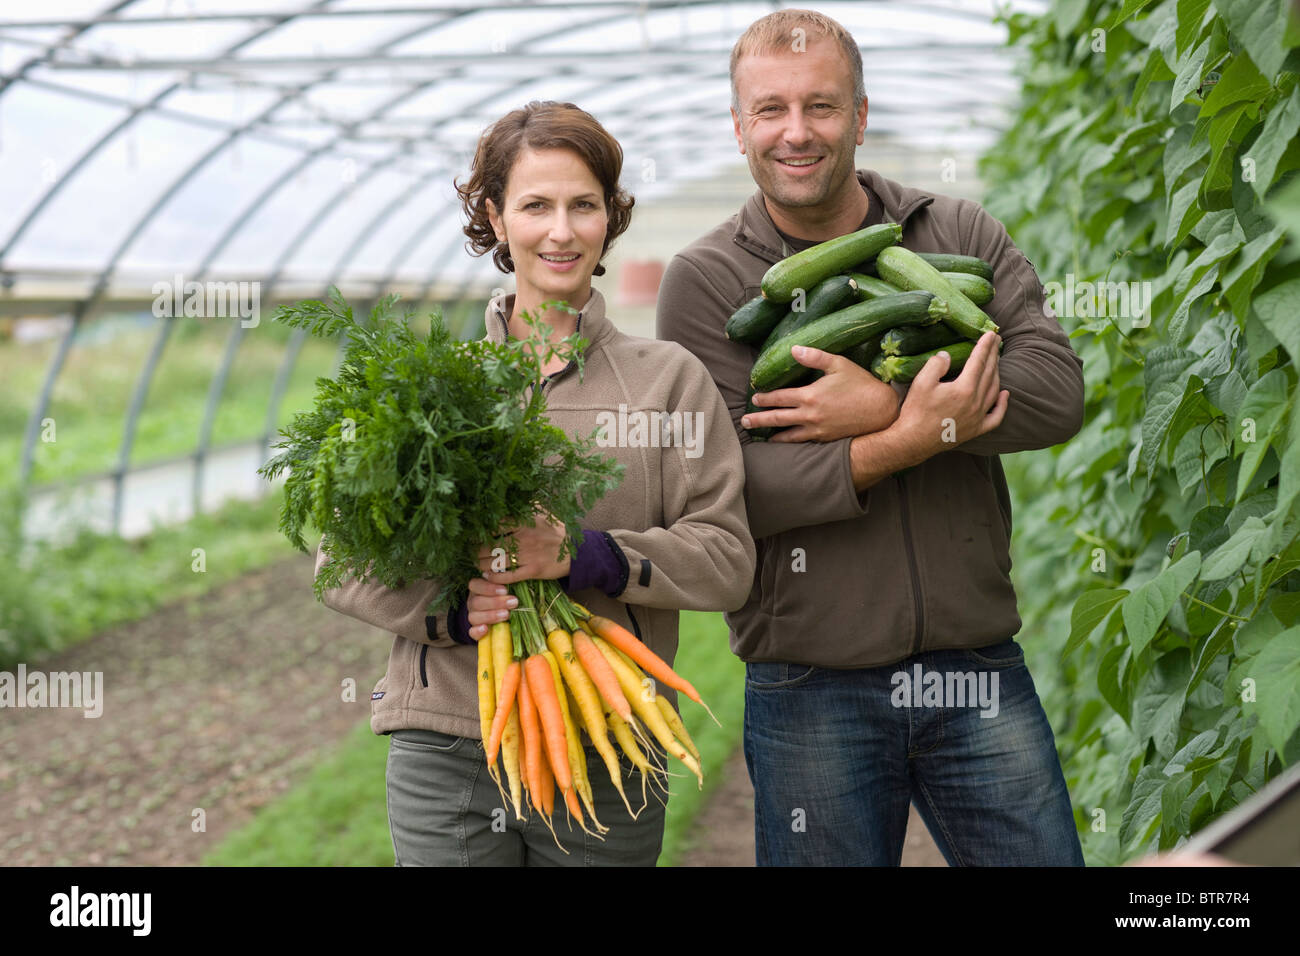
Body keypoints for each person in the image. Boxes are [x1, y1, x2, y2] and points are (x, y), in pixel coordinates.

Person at [656, 9, 1087, 866]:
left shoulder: (958, 235)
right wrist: (904, 439)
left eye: (821, 106)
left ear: (859, 114)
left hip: (976, 664)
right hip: (813, 683)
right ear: (738, 125)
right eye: (770, 110)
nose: (796, 132)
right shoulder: (707, 282)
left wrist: (887, 398)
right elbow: (724, 489)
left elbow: (1054, 396)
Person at [314, 100, 755, 866]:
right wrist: (452, 612)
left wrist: (587, 557)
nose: (561, 231)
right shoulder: (432, 388)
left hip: (608, 738)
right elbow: (339, 563)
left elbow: (726, 558)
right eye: (535, 205)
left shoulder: (667, 382)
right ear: (495, 215)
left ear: (610, 219)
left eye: (584, 205)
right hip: (445, 745)